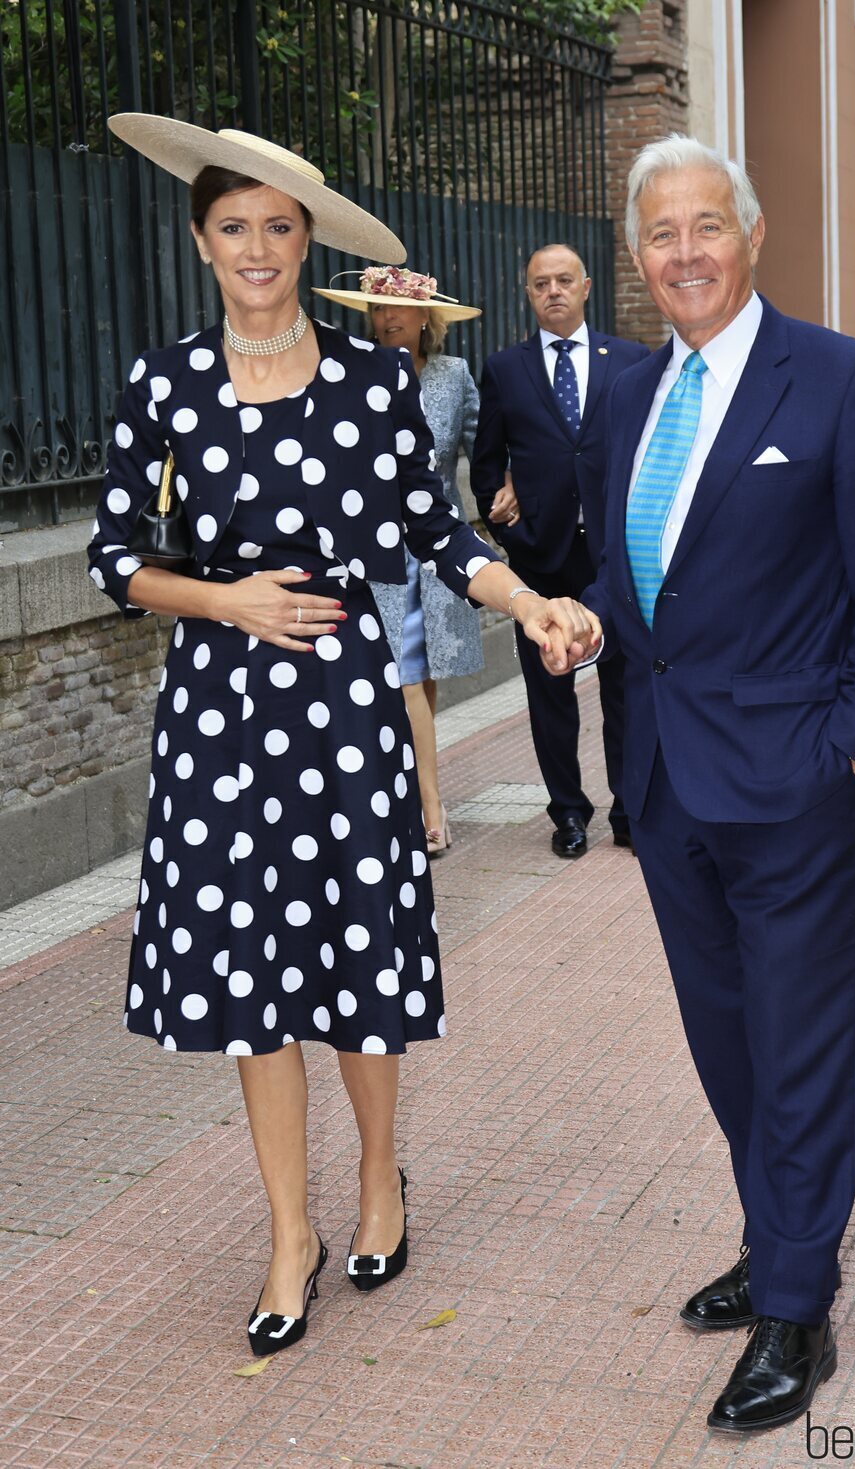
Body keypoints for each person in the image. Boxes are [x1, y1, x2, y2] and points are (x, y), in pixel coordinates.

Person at [87, 114, 600, 1358]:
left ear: (306, 241)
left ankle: (379, 1178)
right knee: (254, 985)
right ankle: (286, 1233)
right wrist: (226, 598)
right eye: (232, 227)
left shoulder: (374, 385)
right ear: (201, 240)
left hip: (344, 713)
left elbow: (440, 537)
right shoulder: (163, 384)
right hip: (219, 715)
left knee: (356, 961)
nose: (255, 248)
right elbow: (116, 559)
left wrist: (530, 598)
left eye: (276, 226)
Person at [549, 137, 855, 1431]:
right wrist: (587, 620)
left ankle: (797, 1310)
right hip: (664, 786)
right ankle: (778, 1241)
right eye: (660, 234)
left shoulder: (842, 381)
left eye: (707, 225)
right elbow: (637, 576)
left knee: (803, 1048)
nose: (685, 252)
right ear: (638, 256)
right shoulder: (627, 395)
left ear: (751, 234)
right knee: (730, 1048)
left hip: (797, 789)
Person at [470, 244, 647, 858]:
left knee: (624, 686)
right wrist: (509, 531)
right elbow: (487, 465)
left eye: (564, 280)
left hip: (613, 556)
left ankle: (630, 811)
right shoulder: (504, 369)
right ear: (528, 293)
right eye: (540, 283)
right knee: (550, 693)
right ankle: (569, 814)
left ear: (587, 286)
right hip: (540, 559)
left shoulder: (630, 361)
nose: (553, 291)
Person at [315, 266, 484, 856]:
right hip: (375, 550)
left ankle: (411, 789)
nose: (388, 319)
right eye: (379, 310)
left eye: (400, 310)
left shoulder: (452, 375)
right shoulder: (350, 375)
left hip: (435, 548)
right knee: (404, 677)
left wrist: (503, 490)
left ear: (424, 317)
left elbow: (479, 446)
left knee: (421, 677)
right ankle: (429, 810)